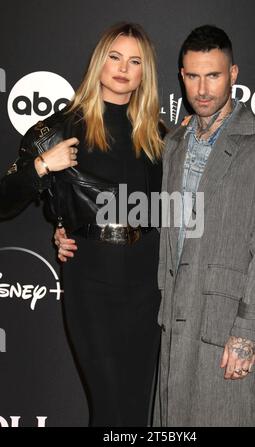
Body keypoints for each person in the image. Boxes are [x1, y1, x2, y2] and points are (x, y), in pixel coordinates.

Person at [0, 22, 165, 427]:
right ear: (99, 61)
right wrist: (42, 166)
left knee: (134, 409)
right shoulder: (58, 129)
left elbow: (168, 215)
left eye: (135, 61)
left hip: (148, 285)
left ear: (146, 73)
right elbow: (5, 202)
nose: (123, 68)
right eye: (114, 56)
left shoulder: (158, 137)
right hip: (91, 279)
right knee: (109, 407)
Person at [151, 25, 255, 426]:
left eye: (213, 75)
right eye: (193, 76)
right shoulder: (174, 145)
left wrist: (247, 333)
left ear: (233, 74)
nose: (202, 88)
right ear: (181, 75)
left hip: (226, 327)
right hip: (177, 322)